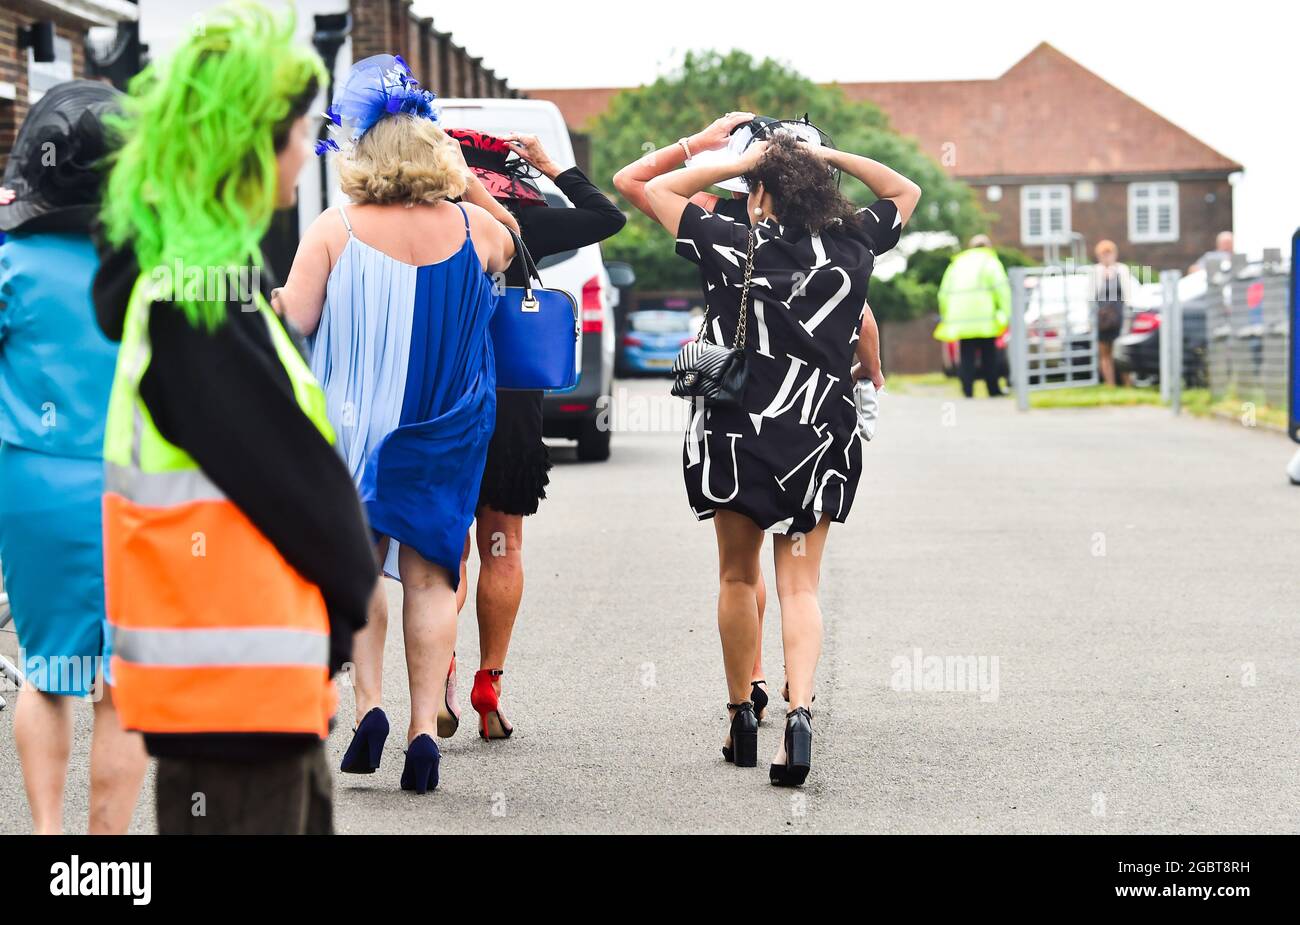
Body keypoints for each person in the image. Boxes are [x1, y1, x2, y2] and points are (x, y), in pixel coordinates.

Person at [94, 2, 378, 833]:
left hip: (237, 686)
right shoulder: (200, 301)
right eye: (298, 131)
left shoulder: (197, 281)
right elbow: (295, 484)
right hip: (237, 696)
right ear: (247, 147)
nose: (307, 152)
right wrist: (353, 585)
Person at [641, 131, 919, 785]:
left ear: (758, 192)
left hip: (738, 431)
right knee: (799, 584)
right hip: (819, 433)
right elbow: (904, 190)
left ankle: (742, 715)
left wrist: (742, 163)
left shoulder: (730, 241)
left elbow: (653, 188)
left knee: (739, 578)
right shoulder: (855, 242)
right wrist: (830, 157)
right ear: (824, 189)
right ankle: (798, 714)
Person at [275, 55, 515, 792]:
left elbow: (296, 317)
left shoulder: (333, 228)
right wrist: (457, 173)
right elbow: (513, 235)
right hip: (446, 420)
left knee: (359, 564)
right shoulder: (477, 229)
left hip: (357, 419)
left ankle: (369, 704)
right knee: (432, 573)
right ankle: (421, 730)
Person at [615, 111, 820, 719]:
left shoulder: (710, 216)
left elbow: (633, 183)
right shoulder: (828, 236)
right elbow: (859, 316)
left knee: (738, 559)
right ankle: (790, 690)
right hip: (801, 396)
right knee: (796, 566)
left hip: (725, 382)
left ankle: (748, 679)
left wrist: (697, 146)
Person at [443, 127, 625, 740]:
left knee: (444, 550)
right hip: (509, 402)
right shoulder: (523, 221)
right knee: (503, 544)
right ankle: (488, 681)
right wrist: (551, 166)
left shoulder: (421, 219)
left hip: (438, 398)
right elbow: (606, 217)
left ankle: (436, 671)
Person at [0, 80, 147, 835]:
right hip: (136, 482)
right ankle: (101, 858)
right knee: (122, 688)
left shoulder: (9, 261)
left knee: (47, 674)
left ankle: (47, 841)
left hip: (34, 480)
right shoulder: (155, 259)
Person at [935, 234, 1010, 398]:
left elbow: (944, 293)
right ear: (988, 247)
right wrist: (1005, 314)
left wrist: (946, 315)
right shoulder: (990, 262)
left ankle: (967, 391)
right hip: (985, 319)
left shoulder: (957, 263)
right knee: (989, 354)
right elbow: (1002, 290)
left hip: (961, 319)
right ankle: (993, 389)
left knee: (966, 355)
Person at [1091, 239, 1131, 386]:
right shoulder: (1095, 272)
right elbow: (1090, 297)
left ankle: (1128, 383)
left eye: (1109, 253)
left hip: (1119, 316)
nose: (1107, 257)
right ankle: (1110, 384)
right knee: (1104, 352)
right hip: (1102, 318)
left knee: (1122, 351)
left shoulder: (1122, 270)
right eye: (1103, 254)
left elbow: (1128, 295)